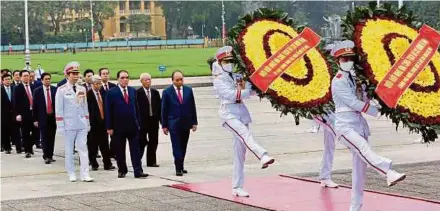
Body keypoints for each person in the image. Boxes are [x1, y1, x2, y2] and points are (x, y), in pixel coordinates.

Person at [330, 40, 406, 211]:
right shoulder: (338, 81)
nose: (348, 61)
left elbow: (364, 98)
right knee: (364, 149)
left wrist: (382, 104)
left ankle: (355, 208)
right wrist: (375, 111)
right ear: (337, 62)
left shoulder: (356, 79)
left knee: (359, 172)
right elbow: (352, 103)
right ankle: (388, 172)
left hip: (358, 124)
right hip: (345, 127)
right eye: (344, 59)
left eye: (350, 58)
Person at [212, 46, 275, 197]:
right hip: (228, 114)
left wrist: (259, 85)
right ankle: (262, 155)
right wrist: (247, 92)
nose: (229, 63)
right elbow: (232, 95)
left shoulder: (237, 76)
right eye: (226, 61)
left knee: (240, 152)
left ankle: (237, 187)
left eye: (231, 61)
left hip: (241, 113)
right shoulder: (218, 80)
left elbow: (249, 90)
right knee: (245, 134)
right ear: (219, 62)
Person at [105, 70, 148, 179]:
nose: (125, 80)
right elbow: (108, 111)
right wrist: (109, 126)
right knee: (120, 150)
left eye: (127, 77)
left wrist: (138, 123)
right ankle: (122, 170)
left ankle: (138, 171)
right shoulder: (111, 93)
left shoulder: (132, 91)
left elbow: (136, 108)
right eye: (122, 78)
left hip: (132, 126)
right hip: (118, 127)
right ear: (118, 79)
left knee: (136, 150)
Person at [55, 61, 94, 182]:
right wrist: (60, 126)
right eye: (73, 73)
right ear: (67, 74)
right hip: (69, 124)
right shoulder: (61, 90)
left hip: (81, 123)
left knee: (83, 148)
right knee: (69, 149)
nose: (76, 75)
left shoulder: (82, 88)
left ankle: (85, 173)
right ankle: (71, 172)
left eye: (77, 73)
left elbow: (85, 106)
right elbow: (59, 109)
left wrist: (87, 122)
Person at [161, 70, 198, 176]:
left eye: (181, 79)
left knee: (183, 146)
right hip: (174, 124)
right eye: (177, 80)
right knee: (176, 146)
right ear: (172, 80)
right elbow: (164, 109)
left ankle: (181, 165)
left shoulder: (188, 90)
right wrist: (164, 125)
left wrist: (194, 122)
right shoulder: (167, 92)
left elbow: (192, 107)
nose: (179, 82)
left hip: (186, 123)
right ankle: (178, 167)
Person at [87, 75, 115, 171]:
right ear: (92, 84)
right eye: (97, 84)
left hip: (103, 123)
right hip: (93, 124)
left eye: (100, 84)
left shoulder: (104, 93)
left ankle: (107, 164)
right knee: (93, 145)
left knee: (105, 145)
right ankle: (94, 163)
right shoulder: (88, 95)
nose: (99, 86)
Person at [137, 73, 162, 167]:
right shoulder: (137, 93)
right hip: (143, 121)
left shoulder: (155, 92)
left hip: (153, 121)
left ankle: (151, 161)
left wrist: (161, 121)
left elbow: (159, 107)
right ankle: (138, 160)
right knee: (142, 141)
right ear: (141, 81)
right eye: (145, 80)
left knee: (154, 141)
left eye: (149, 80)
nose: (148, 81)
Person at [32, 73, 57, 164]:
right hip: (43, 117)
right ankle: (46, 155)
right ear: (42, 80)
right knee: (44, 137)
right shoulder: (37, 91)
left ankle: (50, 155)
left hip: (53, 117)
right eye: (46, 79)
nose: (48, 80)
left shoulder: (55, 90)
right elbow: (35, 106)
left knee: (52, 137)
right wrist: (35, 119)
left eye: (49, 79)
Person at [312, 112, 339, 188]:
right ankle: (325, 177)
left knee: (330, 145)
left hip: (332, 113)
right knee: (340, 134)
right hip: (324, 113)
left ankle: (325, 177)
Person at [13, 70, 35, 158]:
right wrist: (17, 114)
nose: (26, 77)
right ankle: (27, 150)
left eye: (28, 76)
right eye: (24, 76)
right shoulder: (17, 88)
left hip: (33, 113)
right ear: (21, 77)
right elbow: (15, 102)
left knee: (36, 132)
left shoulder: (34, 87)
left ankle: (29, 146)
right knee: (25, 132)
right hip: (24, 113)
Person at [1, 74, 14, 154]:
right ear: (2, 81)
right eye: (6, 79)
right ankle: (7, 147)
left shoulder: (14, 88)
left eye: (9, 79)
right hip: (3, 113)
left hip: (13, 113)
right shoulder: (1, 89)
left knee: (14, 130)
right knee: (5, 130)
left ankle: (18, 145)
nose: (8, 81)